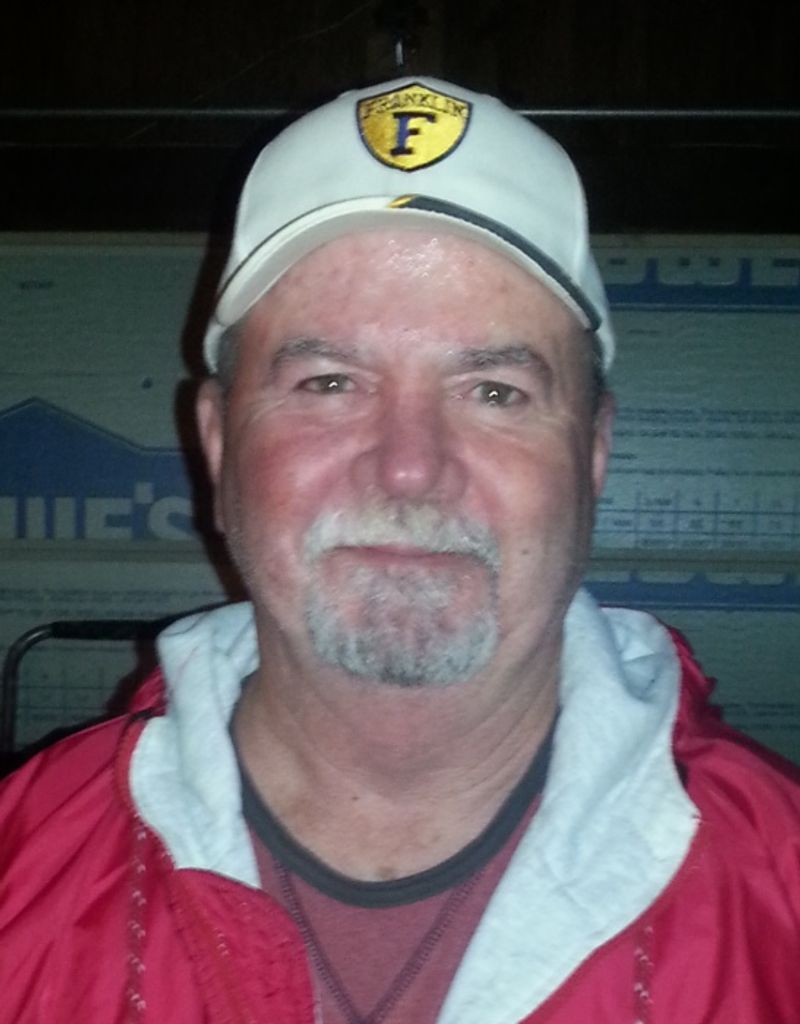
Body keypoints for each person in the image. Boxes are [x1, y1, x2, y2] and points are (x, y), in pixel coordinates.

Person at [1, 77, 799, 1024]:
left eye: (494, 392)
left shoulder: (780, 895)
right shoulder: (20, 872)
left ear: (592, 455)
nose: (410, 468)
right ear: (216, 446)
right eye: (330, 383)